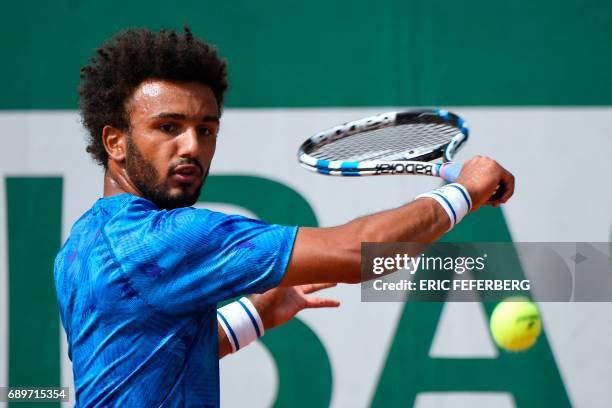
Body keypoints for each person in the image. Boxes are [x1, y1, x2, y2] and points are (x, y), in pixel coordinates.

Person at [54, 27, 514, 407]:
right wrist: (464, 192)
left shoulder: (79, 247)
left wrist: (260, 311)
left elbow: (150, 355)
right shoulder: (166, 239)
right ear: (114, 142)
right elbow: (359, 253)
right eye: (168, 127)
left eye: (206, 129)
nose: (192, 146)